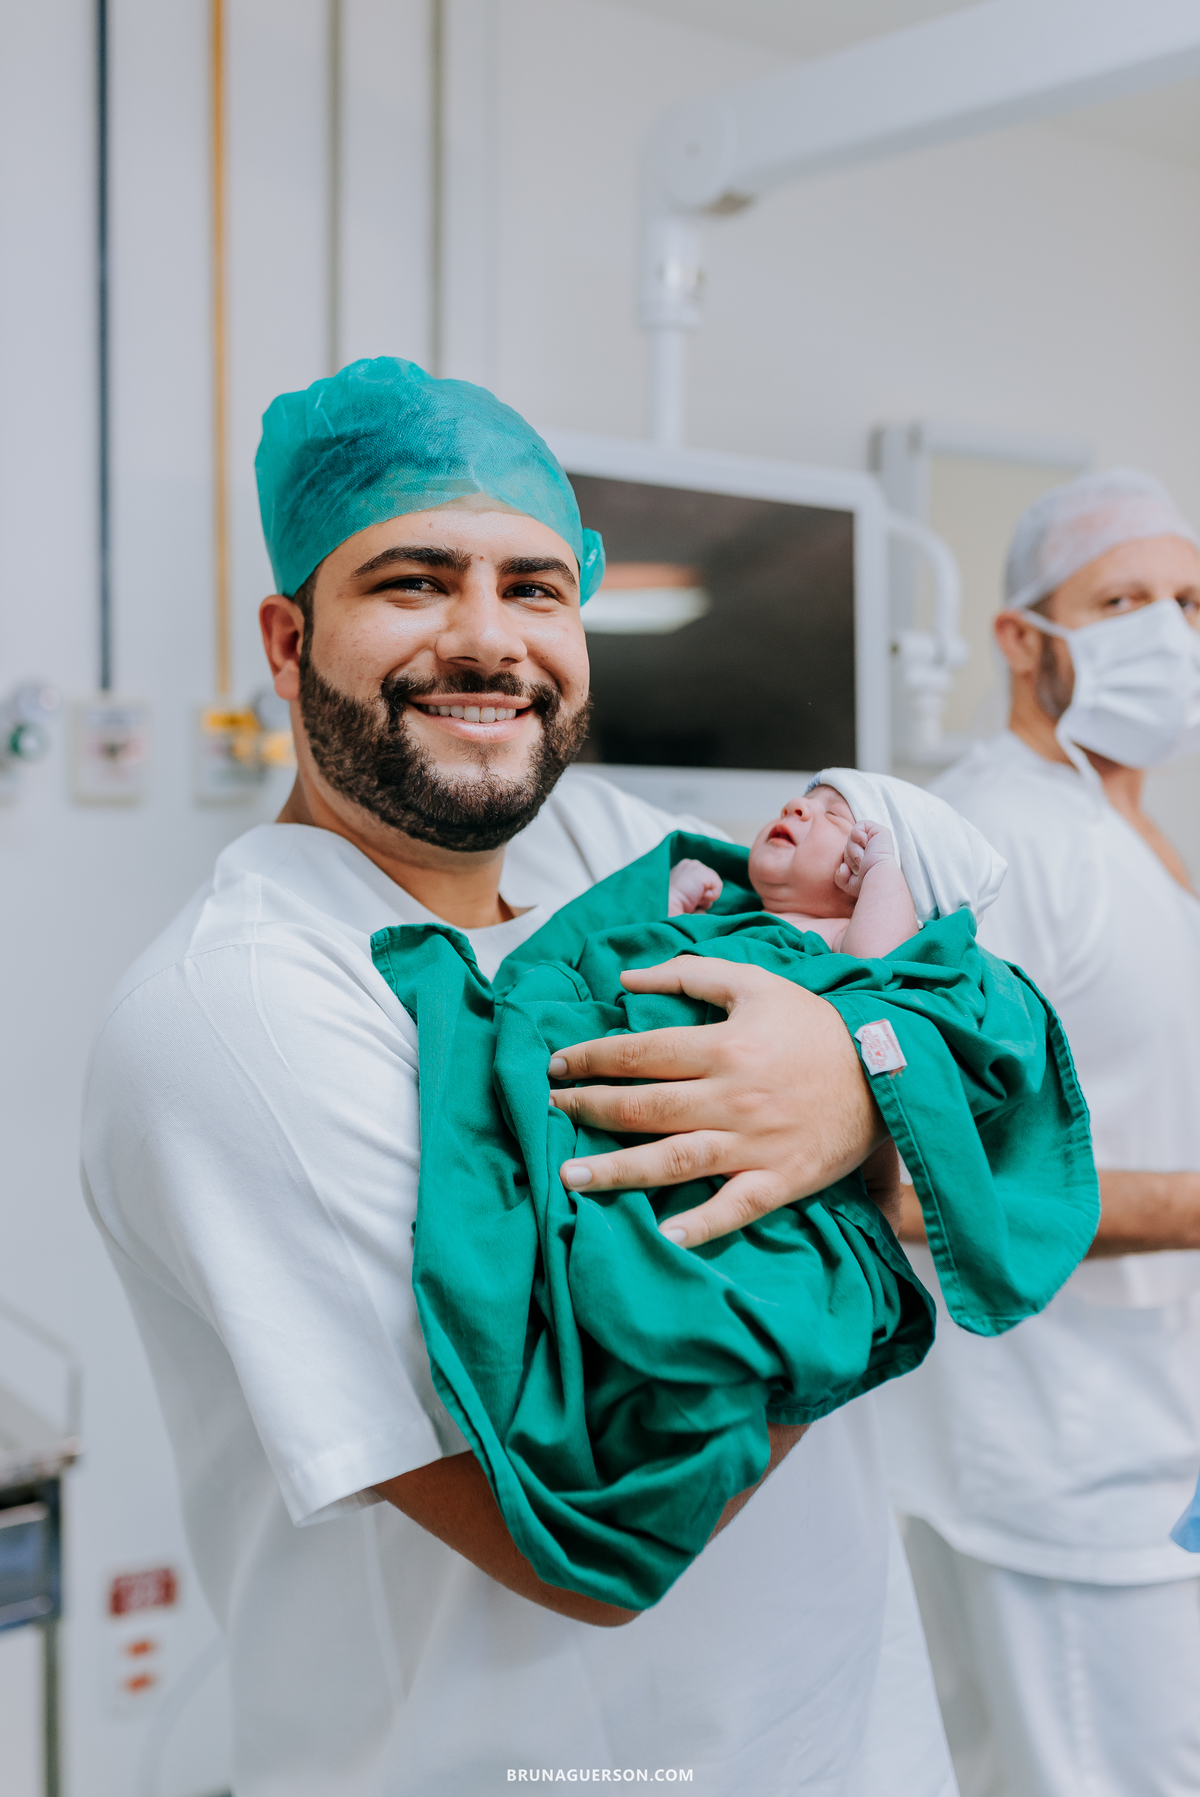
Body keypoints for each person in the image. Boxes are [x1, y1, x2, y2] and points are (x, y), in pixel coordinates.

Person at [80, 357, 974, 1795]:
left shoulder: (592, 845)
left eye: (538, 588)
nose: (489, 641)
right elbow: (587, 1529)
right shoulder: (241, 1016)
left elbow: (926, 1004)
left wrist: (857, 1085)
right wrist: (874, 1160)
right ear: (288, 635)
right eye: (416, 582)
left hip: (837, 1734)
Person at [877, 468, 1200, 1797]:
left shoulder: (1122, 823)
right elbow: (908, 1181)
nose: (1168, 632)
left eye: (1188, 599)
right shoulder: (992, 840)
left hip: (1149, 1429)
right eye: (1122, 600)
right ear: (1020, 635)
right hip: (1053, 1454)